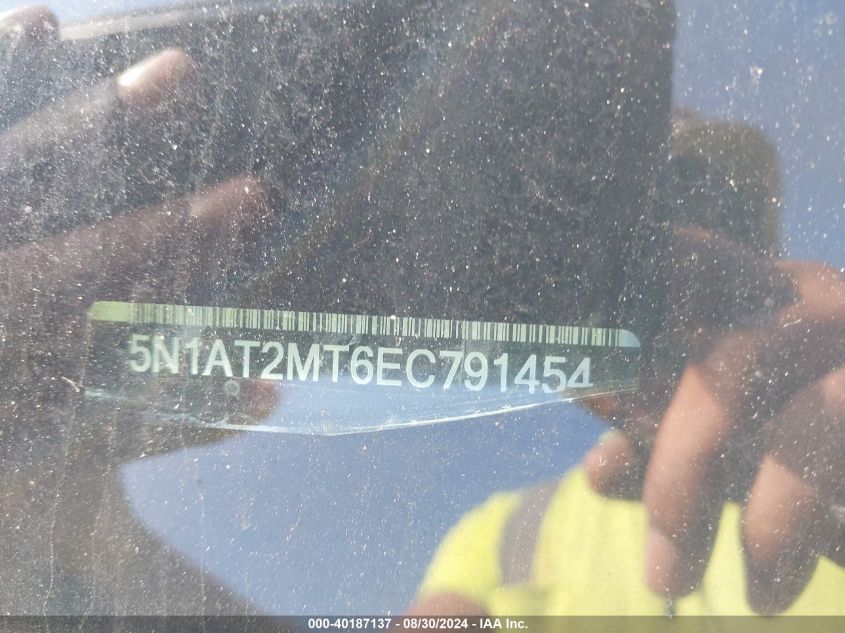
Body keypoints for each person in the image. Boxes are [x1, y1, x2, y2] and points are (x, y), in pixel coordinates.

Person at [410, 114, 845, 616]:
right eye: (629, 259)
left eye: (728, 222)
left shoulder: (830, 478)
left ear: (770, 271)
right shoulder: (511, 536)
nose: (685, 279)